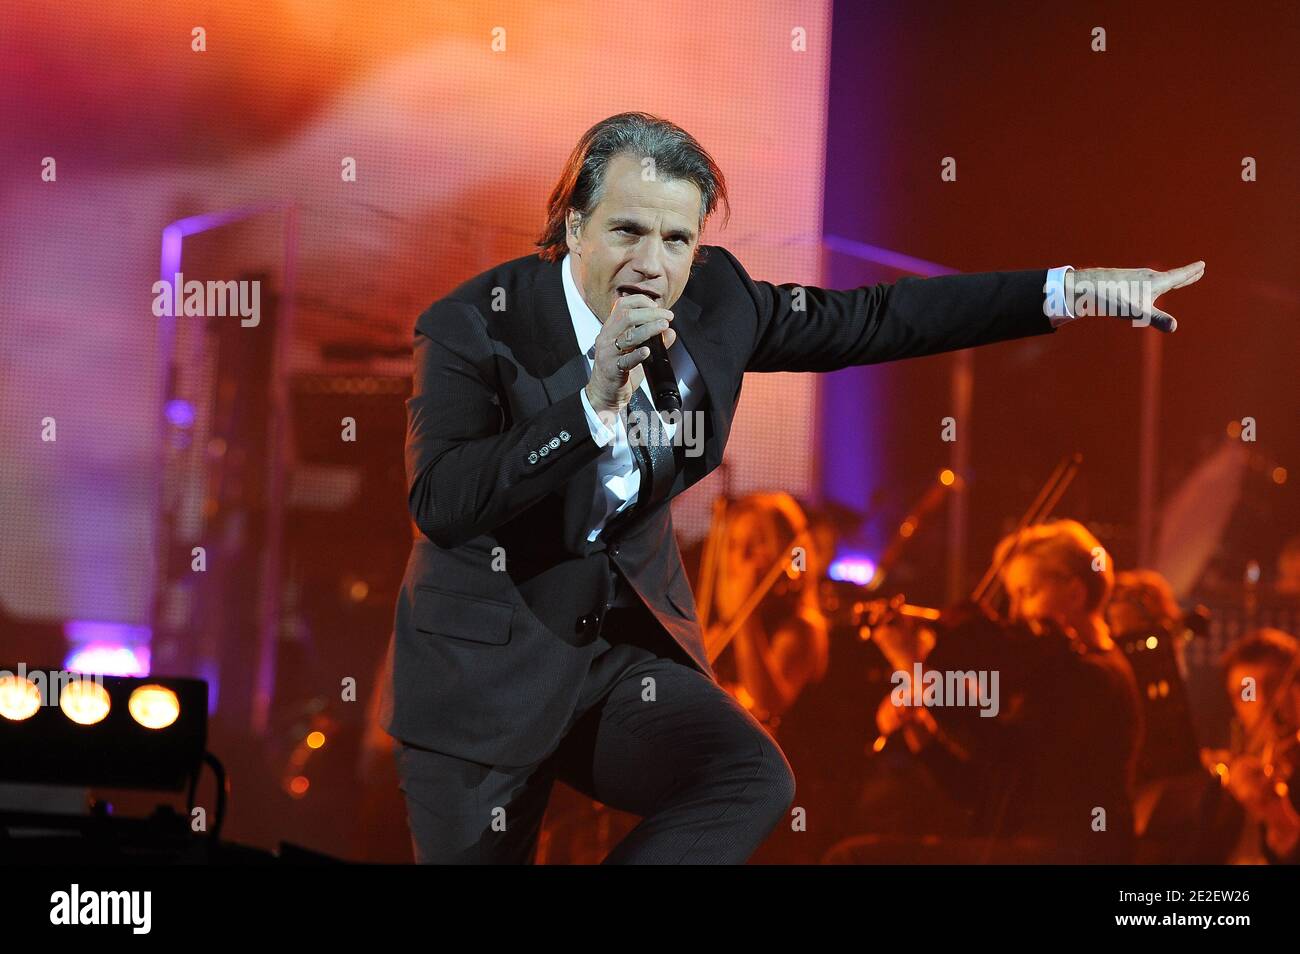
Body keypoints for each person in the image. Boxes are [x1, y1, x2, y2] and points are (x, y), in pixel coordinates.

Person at [380, 110, 1203, 864]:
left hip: (609, 663)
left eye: (677, 239)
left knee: (748, 776)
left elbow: (879, 317)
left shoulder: (718, 300)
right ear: (573, 227)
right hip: (480, 677)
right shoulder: (474, 324)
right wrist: (588, 406)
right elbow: (443, 501)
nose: (652, 265)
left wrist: (1067, 290)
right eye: (627, 230)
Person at [873, 519, 1144, 862]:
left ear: (1075, 593)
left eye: (1026, 593)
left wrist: (915, 671)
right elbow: (983, 789)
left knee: (850, 859)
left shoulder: (1095, 677)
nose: (1014, 613)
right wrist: (924, 738)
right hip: (1028, 848)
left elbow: (1000, 754)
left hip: (1068, 854)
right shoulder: (1052, 668)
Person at [1210, 628, 1300, 863]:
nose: (1260, 703)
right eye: (1246, 694)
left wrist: (1282, 822)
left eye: (1271, 685)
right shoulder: (1230, 778)